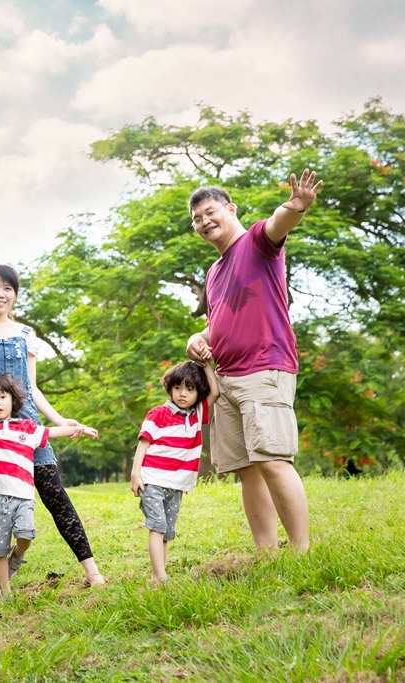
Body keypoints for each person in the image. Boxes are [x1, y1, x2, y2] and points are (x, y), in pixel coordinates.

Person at [0, 264, 106, 601]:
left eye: (7, 288)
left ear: (15, 294)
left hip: (29, 428)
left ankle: (92, 572)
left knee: (54, 493)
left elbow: (32, 388)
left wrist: (61, 420)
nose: (0, 294)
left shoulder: (25, 335)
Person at [185, 169, 323, 553]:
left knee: (274, 460)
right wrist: (197, 338)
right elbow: (218, 323)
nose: (204, 222)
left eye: (210, 212)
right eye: (196, 218)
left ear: (230, 209)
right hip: (225, 380)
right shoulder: (214, 271)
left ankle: (300, 552)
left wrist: (296, 207)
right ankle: (266, 552)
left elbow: (280, 223)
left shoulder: (257, 243)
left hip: (264, 368)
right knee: (248, 471)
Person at [0, 368, 98, 598]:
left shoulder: (27, 429)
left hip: (23, 496)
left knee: (26, 535)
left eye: (2, 397)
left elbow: (52, 432)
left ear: (12, 399)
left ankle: (17, 556)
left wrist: (80, 429)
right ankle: (6, 593)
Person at [130, 361, 219, 583]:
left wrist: (207, 364)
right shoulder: (158, 413)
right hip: (152, 480)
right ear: (170, 388)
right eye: (178, 387)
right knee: (157, 526)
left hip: (176, 485)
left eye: (190, 389)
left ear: (198, 393)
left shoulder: (197, 415)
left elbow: (215, 391)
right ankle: (161, 576)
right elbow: (143, 443)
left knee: (167, 531)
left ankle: (155, 577)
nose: (182, 394)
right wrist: (135, 474)